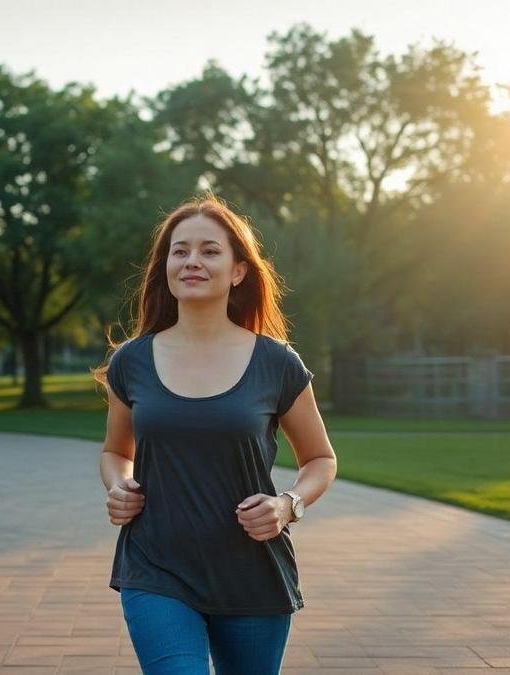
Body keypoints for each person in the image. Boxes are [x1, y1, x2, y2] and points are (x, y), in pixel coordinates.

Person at [93, 193, 338, 674]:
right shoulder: (132, 361)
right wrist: (118, 484)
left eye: (209, 250)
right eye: (179, 250)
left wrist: (287, 506)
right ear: (165, 266)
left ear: (238, 270)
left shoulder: (277, 363)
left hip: (252, 573)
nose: (191, 261)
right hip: (155, 566)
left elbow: (321, 459)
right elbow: (115, 451)